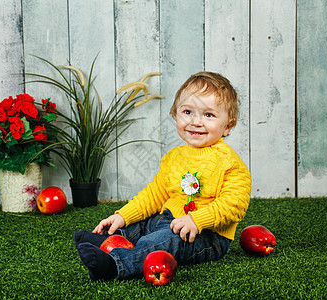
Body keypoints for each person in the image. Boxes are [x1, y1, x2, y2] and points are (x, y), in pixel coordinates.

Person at [74, 71, 251, 280]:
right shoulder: (173, 157)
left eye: (208, 115)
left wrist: (197, 220)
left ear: (228, 126)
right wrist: (122, 216)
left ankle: (115, 265)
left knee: (164, 241)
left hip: (205, 235)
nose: (196, 121)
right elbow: (154, 194)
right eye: (187, 112)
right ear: (175, 114)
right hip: (166, 220)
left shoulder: (229, 162)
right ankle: (109, 239)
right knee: (140, 223)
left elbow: (235, 204)